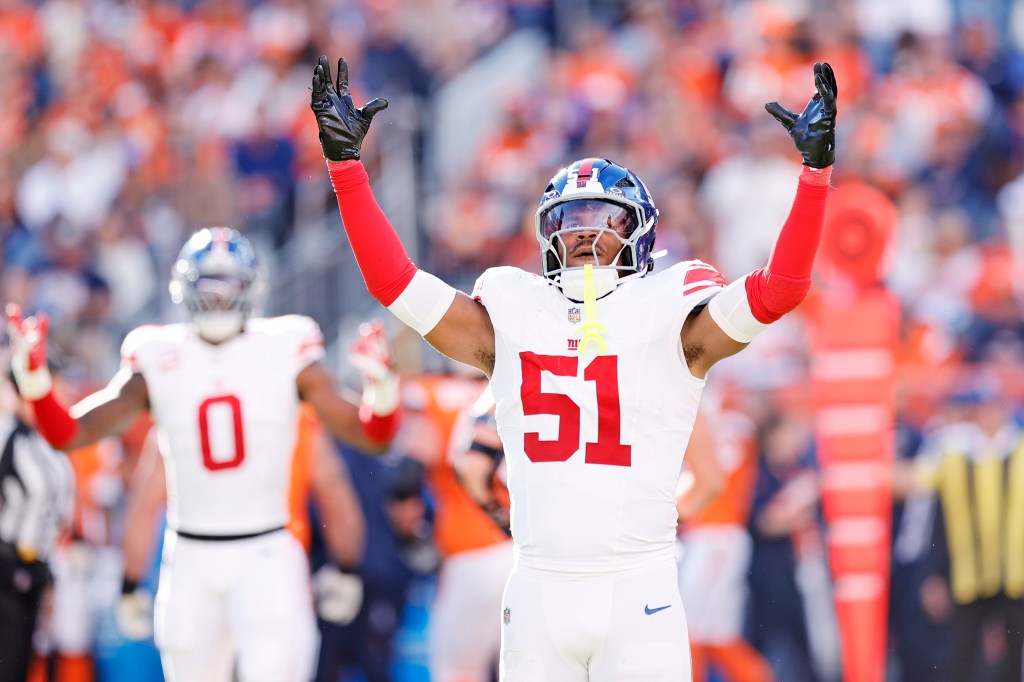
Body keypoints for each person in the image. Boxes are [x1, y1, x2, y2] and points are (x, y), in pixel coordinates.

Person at [310, 53, 837, 680]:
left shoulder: (672, 314)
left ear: (640, 235)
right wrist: (345, 168)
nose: (585, 237)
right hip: (536, 586)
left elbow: (782, 287)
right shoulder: (511, 314)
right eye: (570, 224)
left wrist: (814, 175)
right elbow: (394, 282)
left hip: (638, 586)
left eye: (603, 223)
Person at [4, 226, 401, 682]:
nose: (216, 299)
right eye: (207, 285)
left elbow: (372, 436)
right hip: (191, 555)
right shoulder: (158, 355)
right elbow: (71, 432)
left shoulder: (286, 347)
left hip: (266, 553)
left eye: (225, 285)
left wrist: (382, 392)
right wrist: (35, 384)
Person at [0, 360, 75, 682]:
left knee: (25, 664)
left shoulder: (50, 442)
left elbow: (61, 505)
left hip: (38, 566)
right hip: (5, 566)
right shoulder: (8, 435)